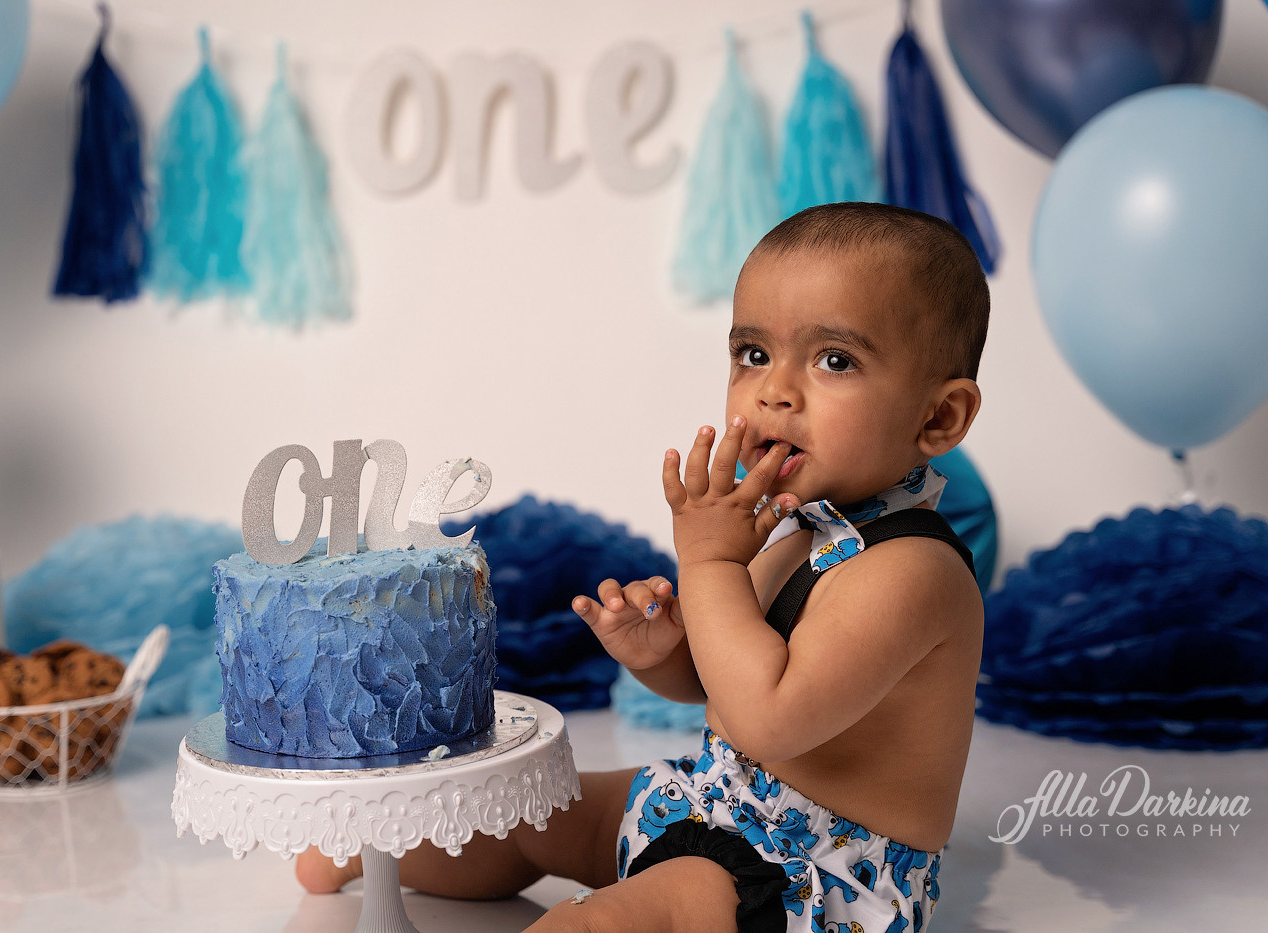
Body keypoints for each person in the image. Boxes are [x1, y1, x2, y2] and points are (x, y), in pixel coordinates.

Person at [296, 201, 988, 933]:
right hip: (717, 804)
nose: (773, 390)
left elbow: (769, 718)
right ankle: (368, 858)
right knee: (538, 809)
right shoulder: (801, 530)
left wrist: (712, 558)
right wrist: (665, 656)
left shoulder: (914, 571)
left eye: (834, 360)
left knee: (603, 916)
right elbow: (722, 681)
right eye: (753, 353)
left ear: (937, 418)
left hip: (818, 876)